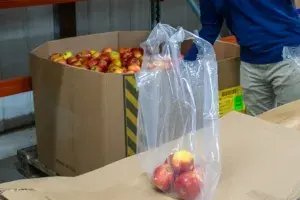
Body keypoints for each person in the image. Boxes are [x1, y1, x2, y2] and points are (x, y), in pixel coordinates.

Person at [185, 0, 300, 116]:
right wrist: (186, 63)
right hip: (250, 64)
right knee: (259, 125)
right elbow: (210, 28)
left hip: (289, 57)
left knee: (293, 121)